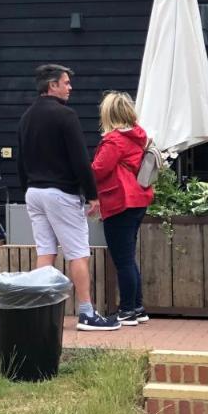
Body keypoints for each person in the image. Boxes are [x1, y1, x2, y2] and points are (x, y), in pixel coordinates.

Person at [17, 64, 119, 331]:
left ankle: (39, 313)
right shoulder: (65, 116)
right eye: (65, 83)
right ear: (52, 86)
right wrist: (93, 195)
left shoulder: (26, 117)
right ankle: (87, 313)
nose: (70, 87)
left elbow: (20, 160)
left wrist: (26, 188)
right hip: (60, 193)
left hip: (34, 192)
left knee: (45, 252)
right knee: (78, 253)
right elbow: (80, 160)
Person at [91, 92, 154, 326]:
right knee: (128, 257)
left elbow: (98, 170)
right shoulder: (138, 136)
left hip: (120, 201)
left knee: (123, 259)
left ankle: (127, 310)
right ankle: (137, 307)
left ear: (108, 114)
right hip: (138, 200)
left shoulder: (114, 141)